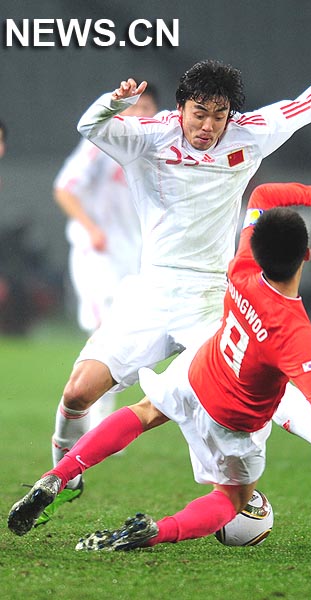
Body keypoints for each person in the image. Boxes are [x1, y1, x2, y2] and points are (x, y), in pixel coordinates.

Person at [7, 183, 311, 545]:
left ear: (256, 247)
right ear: (307, 257)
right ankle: (155, 532)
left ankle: (58, 476)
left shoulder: (241, 268)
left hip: (199, 370)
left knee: (143, 412)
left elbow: (261, 196)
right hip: (232, 422)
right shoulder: (294, 331)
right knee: (233, 498)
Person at [43, 59, 311, 522]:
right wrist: (116, 102)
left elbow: (301, 107)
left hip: (209, 300)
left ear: (230, 116)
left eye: (218, 116)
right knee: (78, 394)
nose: (207, 126)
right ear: (181, 108)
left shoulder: (248, 134)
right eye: (199, 113)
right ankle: (64, 473)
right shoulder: (150, 134)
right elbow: (90, 125)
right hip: (151, 293)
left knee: (252, 376)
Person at [53, 84, 159, 430]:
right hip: (97, 252)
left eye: (149, 108)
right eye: (137, 106)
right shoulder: (100, 145)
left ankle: (91, 407)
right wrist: (91, 228)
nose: (142, 113)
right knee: (104, 326)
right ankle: (92, 414)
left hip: (136, 253)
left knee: (123, 328)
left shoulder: (154, 147)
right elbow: (64, 188)